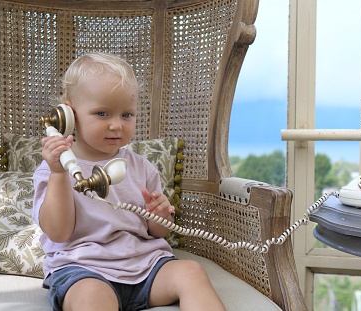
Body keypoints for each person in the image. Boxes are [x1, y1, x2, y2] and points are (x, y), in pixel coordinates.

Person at [32, 52, 225, 311]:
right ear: (69, 115)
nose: (116, 125)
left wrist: (160, 216)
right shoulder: (54, 169)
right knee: (91, 297)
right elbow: (58, 232)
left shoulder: (141, 166)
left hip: (146, 266)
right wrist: (59, 175)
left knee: (190, 271)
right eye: (102, 113)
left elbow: (158, 231)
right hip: (84, 269)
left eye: (127, 115)